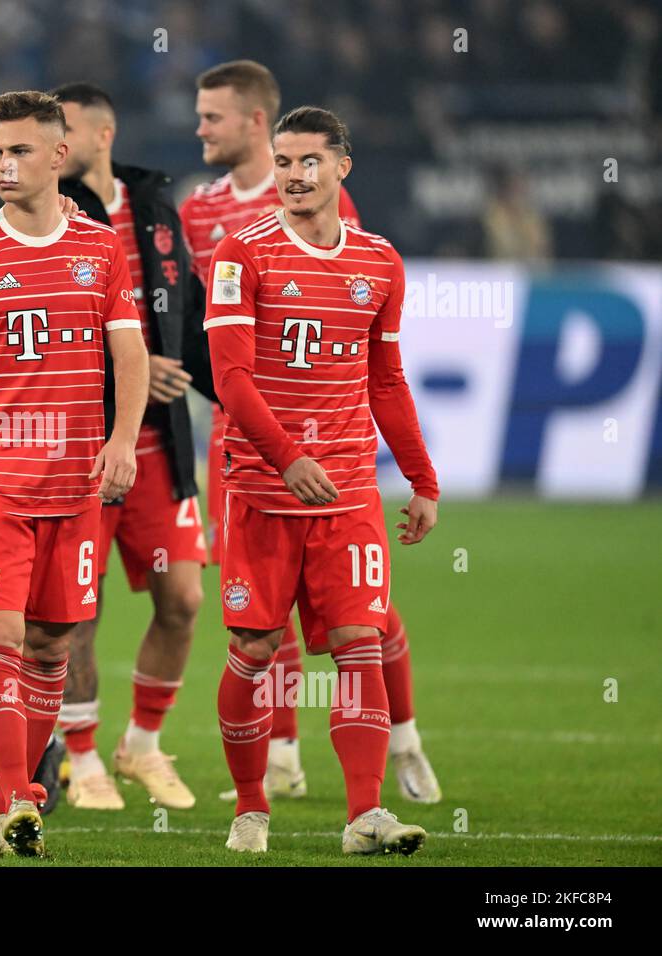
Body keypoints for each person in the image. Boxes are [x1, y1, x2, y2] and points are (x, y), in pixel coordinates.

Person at [179, 60, 441, 805]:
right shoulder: (239, 249)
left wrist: (422, 480)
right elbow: (230, 380)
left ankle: (370, 805)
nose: (294, 175)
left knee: (363, 635)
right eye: (286, 163)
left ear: (341, 169)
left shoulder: (379, 262)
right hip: (259, 478)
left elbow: (385, 382)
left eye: (310, 162)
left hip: (348, 482)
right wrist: (287, 456)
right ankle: (261, 793)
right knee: (257, 644)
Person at [0, 90, 149, 857]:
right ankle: (18, 799)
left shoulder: (100, 249)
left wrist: (122, 441)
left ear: (57, 156)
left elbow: (130, 354)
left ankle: (1, 777)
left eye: (19, 151)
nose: (4, 165)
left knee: (51, 646)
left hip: (74, 483)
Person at [49, 81, 215, 812]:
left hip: (159, 450)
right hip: (82, 448)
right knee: (76, 610)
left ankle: (141, 744)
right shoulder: (47, 217)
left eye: (66, 130)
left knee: (182, 599)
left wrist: (240, 397)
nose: (53, 145)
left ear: (103, 133)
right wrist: (133, 384)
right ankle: (80, 758)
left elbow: (193, 322)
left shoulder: (153, 210)